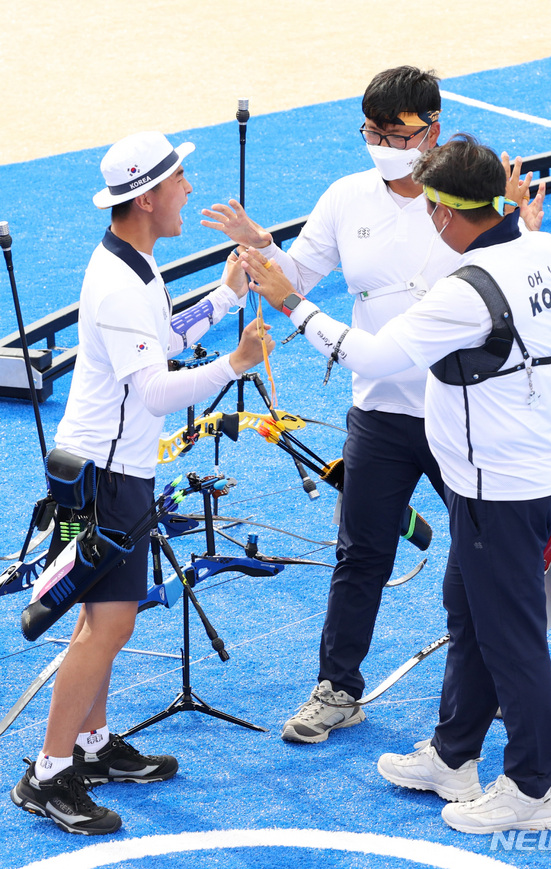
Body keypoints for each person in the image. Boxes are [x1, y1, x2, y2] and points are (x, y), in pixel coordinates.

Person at [239, 133, 551, 834]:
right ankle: (454, 756)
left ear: (449, 214)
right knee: (471, 610)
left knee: (510, 637)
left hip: (500, 493)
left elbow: (375, 352)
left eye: (430, 207)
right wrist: (512, 215)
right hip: (534, 473)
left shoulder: (465, 294)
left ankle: (531, 788)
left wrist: (291, 304)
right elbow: (520, 239)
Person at [201, 66, 545, 744]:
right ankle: (337, 688)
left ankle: (507, 684)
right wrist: (263, 251)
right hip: (380, 414)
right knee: (360, 554)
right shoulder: (346, 198)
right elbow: (294, 279)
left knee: (493, 558)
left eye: (398, 133)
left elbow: (515, 277)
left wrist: (518, 227)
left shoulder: (469, 202)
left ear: (433, 131)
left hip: (464, 417)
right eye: (373, 132)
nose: (384, 144)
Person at [10, 130, 274, 836]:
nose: (189, 188)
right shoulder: (121, 284)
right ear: (150, 197)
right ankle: (48, 772)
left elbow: (164, 339)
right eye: (180, 179)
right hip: (101, 478)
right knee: (109, 624)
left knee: (103, 621)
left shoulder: (136, 265)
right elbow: (157, 390)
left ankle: (90, 747)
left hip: (106, 470)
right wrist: (237, 366)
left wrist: (223, 298)